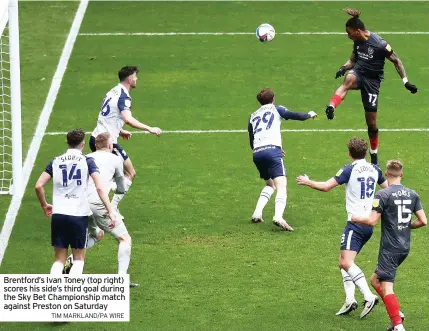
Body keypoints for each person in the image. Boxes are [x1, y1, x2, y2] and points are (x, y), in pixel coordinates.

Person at [296, 137, 388, 318]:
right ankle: (349, 299)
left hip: (355, 224)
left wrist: (308, 181)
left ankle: (368, 296)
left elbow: (326, 187)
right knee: (343, 261)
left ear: (349, 153)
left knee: (346, 262)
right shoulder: (375, 169)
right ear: (365, 151)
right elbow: (387, 191)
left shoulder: (349, 169)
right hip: (368, 223)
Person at [325, 8, 418, 165]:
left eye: (349, 33)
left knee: (372, 124)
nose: (348, 36)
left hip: (373, 82)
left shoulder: (380, 44)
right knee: (348, 80)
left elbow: (396, 61)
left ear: (358, 30)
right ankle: (331, 106)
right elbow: (354, 58)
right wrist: (344, 67)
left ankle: (374, 154)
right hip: (359, 73)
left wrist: (406, 82)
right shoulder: (357, 41)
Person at [351, 160, 426, 331]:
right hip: (404, 247)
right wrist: (407, 225)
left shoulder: (382, 195)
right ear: (402, 174)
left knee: (386, 286)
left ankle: (398, 326)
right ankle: (396, 314)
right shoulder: (412, 194)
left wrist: (355, 218)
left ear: (385, 174)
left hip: (390, 248)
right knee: (375, 279)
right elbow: (423, 221)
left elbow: (371, 221)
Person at [34, 129, 116, 275]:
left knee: (59, 260)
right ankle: (73, 293)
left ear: (67, 143)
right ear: (83, 144)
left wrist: (44, 205)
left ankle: (53, 292)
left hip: (59, 214)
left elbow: (38, 185)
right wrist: (110, 211)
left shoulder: (55, 161)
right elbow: (99, 188)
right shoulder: (87, 161)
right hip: (78, 215)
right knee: (78, 259)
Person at [64, 132, 138, 286]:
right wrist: (113, 201)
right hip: (98, 204)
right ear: (110, 145)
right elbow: (121, 187)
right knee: (125, 239)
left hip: (80, 203)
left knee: (97, 235)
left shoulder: (86, 158)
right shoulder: (116, 159)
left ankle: (69, 263)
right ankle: (121, 278)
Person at [90, 66, 162, 219]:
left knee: (105, 176)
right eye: (136, 77)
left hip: (96, 137)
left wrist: (120, 131)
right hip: (106, 144)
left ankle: (100, 207)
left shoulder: (112, 91)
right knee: (130, 173)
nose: (137, 79)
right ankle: (111, 209)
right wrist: (149, 128)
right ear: (130, 79)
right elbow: (127, 118)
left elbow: (108, 115)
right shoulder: (124, 96)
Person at [248, 88, 317, 231]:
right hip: (272, 152)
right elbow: (294, 115)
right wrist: (309, 114)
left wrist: (269, 148)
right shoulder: (276, 109)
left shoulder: (253, 116)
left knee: (270, 184)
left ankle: (257, 213)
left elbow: (252, 140)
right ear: (273, 99)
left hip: (257, 153)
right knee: (281, 186)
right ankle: (278, 216)